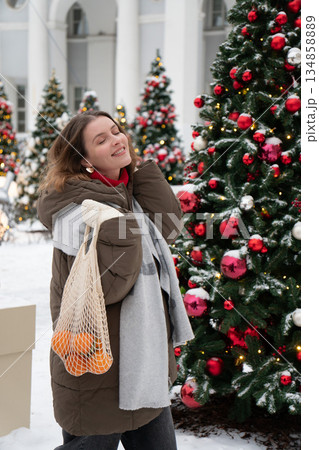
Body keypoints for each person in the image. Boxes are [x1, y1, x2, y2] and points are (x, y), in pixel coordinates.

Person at [37, 110, 194, 450]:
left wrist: (140, 176)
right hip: (97, 370)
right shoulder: (75, 212)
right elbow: (109, 287)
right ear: (82, 161)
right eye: (101, 139)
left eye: (116, 131)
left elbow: (171, 229)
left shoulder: (129, 194)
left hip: (144, 365)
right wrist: (119, 222)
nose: (117, 139)